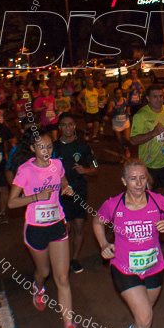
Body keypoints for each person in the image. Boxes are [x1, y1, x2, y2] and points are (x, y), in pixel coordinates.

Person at [93, 160, 164, 328]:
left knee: (144, 318)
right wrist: (103, 244)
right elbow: (97, 221)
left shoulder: (158, 201)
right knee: (145, 315)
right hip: (124, 268)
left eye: (142, 178)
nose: (139, 183)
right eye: (133, 178)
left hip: (154, 267)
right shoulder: (114, 205)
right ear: (124, 181)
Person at [7, 130, 85, 328]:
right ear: (32, 148)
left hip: (58, 224)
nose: (46, 151)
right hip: (36, 229)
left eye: (49, 147)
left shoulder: (57, 165)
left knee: (62, 278)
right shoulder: (25, 170)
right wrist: (34, 197)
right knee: (44, 271)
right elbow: (11, 202)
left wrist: (67, 187)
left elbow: (63, 181)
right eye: (41, 147)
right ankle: (38, 286)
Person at [53, 114, 98, 274]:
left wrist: (86, 170)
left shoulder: (83, 146)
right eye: (64, 125)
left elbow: (96, 166)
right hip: (60, 193)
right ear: (59, 127)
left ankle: (75, 259)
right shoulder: (53, 147)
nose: (68, 128)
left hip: (79, 190)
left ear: (74, 126)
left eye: (70, 124)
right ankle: (61, 259)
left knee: (79, 225)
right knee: (64, 228)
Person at [129, 85, 164, 219]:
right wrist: (154, 133)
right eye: (155, 97)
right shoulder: (141, 116)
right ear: (148, 99)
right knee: (147, 197)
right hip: (148, 164)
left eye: (161, 96)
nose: (159, 99)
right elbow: (133, 140)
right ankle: (147, 222)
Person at [108, 87, 132, 162]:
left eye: (120, 93)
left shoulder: (125, 100)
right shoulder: (112, 102)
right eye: (117, 93)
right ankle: (121, 155)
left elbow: (128, 106)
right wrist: (114, 109)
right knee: (119, 140)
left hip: (125, 122)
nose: (119, 95)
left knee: (127, 139)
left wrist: (128, 111)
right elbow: (109, 112)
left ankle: (126, 148)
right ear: (115, 94)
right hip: (116, 123)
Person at [79, 76, 102, 141]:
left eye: (92, 83)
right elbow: (78, 98)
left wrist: (102, 97)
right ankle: (86, 131)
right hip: (88, 111)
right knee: (89, 125)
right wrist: (83, 105)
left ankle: (94, 136)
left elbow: (100, 98)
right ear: (87, 84)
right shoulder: (84, 91)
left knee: (96, 123)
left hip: (96, 110)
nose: (91, 85)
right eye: (89, 83)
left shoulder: (96, 90)